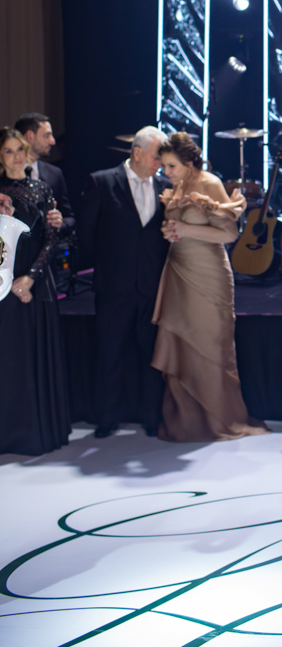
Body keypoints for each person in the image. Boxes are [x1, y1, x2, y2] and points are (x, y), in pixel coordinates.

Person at [151, 132, 269, 442]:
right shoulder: (177, 186)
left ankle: (220, 418)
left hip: (208, 274)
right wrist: (172, 231)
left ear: (189, 163)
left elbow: (229, 234)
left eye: (172, 166)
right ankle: (187, 421)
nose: (166, 172)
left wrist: (185, 229)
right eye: (164, 166)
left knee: (211, 346)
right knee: (181, 344)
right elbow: (180, 226)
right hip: (177, 271)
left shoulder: (210, 183)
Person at [79, 126, 171, 438]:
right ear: (137, 153)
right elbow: (87, 233)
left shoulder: (165, 186)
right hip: (113, 287)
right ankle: (107, 418)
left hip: (152, 286)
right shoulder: (102, 181)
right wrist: (107, 269)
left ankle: (151, 417)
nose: (160, 164)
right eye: (156, 157)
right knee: (109, 354)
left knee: (151, 355)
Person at [0, 128, 71, 455]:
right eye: (8, 151)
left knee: (33, 357)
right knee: (7, 358)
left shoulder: (42, 188)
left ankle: (34, 435)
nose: (16, 156)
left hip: (36, 281)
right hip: (3, 284)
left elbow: (50, 240)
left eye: (20, 150)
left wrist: (29, 278)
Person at [15, 112, 75, 239]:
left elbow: (69, 218)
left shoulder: (55, 173)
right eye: (47, 135)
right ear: (30, 136)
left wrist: (59, 223)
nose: (53, 141)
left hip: (46, 247)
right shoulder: (4, 174)